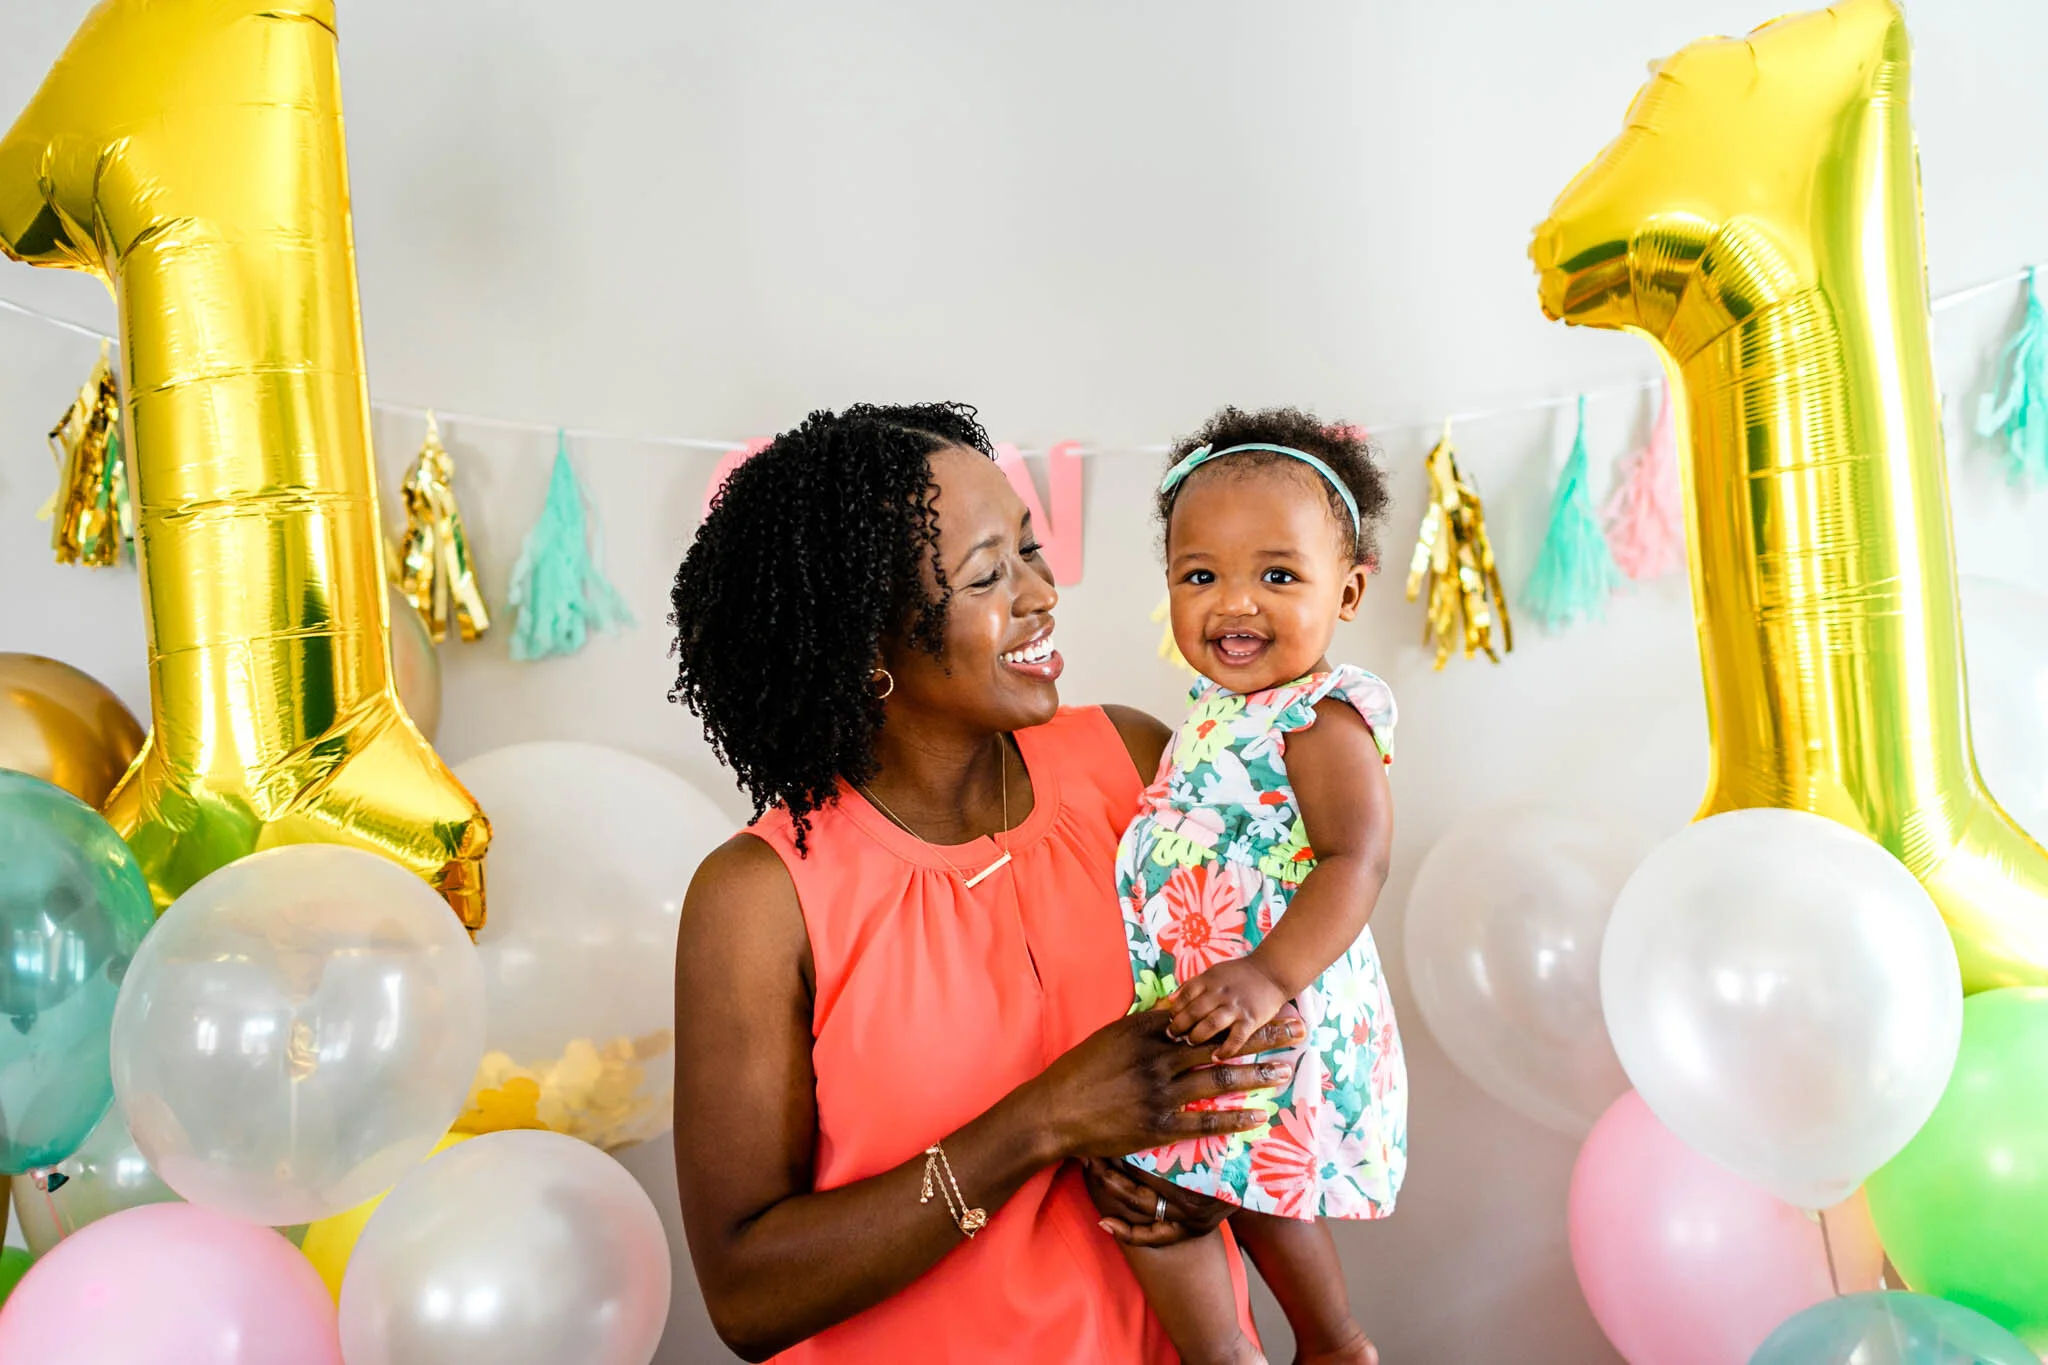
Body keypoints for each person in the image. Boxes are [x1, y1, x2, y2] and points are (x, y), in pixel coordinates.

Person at [667, 401, 1303, 1363]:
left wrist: (1217, 1166)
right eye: (986, 575)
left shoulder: (1134, 766)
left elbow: (1271, 1021)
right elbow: (747, 1296)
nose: (1042, 594)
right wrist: (1041, 1121)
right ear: (866, 643)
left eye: (1032, 548)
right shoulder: (760, 900)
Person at [1111, 408, 1405, 1365]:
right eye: (1203, 575)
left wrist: (1270, 973)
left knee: (1234, 1182)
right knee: (1194, 1187)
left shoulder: (1321, 717)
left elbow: (1354, 857)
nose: (1236, 602)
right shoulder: (1212, 713)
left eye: (1278, 575)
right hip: (1210, 998)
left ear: (1349, 589)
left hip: (1275, 994)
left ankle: (1333, 1339)